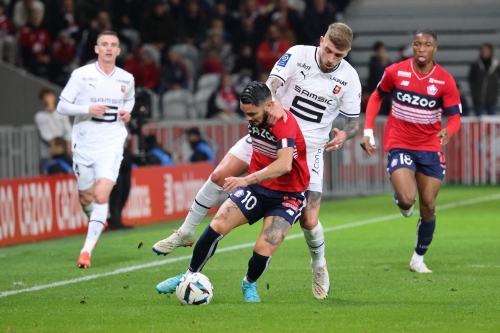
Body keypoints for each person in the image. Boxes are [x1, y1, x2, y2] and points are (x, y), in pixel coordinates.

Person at [153, 23, 362, 300]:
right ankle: (185, 232)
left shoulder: (350, 78)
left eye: (339, 55)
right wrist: (274, 101)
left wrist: (343, 134)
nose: (330, 59)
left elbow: (352, 124)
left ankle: (318, 264)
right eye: (328, 51)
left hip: (307, 152)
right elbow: (271, 83)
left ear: (346, 54)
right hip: (266, 135)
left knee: (310, 221)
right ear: (321, 41)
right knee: (218, 177)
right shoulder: (298, 55)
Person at [155, 81, 310, 302]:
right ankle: (189, 276)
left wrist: (245, 179)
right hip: (258, 188)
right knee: (217, 224)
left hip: (287, 195)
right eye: (244, 113)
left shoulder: (284, 123)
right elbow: (271, 87)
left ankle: (249, 284)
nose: (247, 118)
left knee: (265, 246)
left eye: (251, 113)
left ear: (267, 106)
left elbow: (284, 165)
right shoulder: (261, 111)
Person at [360, 29, 461, 273]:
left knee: (428, 205)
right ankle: (401, 197)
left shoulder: (445, 80)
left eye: (427, 45)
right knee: (407, 199)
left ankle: (418, 258)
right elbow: (376, 97)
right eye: (417, 44)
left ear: (434, 48)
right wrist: (368, 131)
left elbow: (455, 117)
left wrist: (449, 130)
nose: (421, 49)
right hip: (400, 142)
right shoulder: (396, 71)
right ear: (412, 48)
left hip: (429, 147)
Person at [56, 30, 135, 268]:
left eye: (113, 45)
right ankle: (96, 221)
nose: (109, 48)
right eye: (104, 44)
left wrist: (127, 112)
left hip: (111, 143)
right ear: (97, 49)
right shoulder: (81, 75)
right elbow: (62, 106)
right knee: (85, 197)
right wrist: (87, 108)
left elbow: (129, 101)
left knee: (101, 196)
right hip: (84, 142)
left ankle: (86, 251)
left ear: (118, 51)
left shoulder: (126, 78)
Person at [34, 87, 72, 175]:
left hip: (64, 152)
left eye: (49, 96)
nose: (47, 99)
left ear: (54, 97)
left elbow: (68, 129)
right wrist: (56, 145)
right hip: (48, 154)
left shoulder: (61, 113)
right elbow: (45, 135)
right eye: (44, 97)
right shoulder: (39, 116)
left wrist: (67, 143)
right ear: (41, 100)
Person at [467, 43, 500, 116]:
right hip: (478, 98)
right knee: (479, 120)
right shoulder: (475, 65)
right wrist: (475, 92)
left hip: (492, 98)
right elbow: (471, 79)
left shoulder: (496, 65)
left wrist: (495, 90)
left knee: (491, 120)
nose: (484, 52)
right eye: (483, 50)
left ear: (491, 51)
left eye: (486, 50)